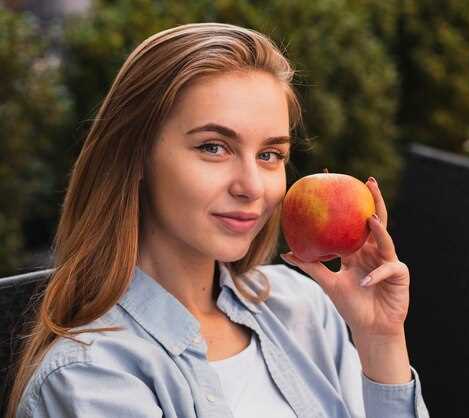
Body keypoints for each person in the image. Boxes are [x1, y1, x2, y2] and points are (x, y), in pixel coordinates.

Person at [6, 22, 430, 418]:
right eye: (214, 147)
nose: (252, 186)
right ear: (134, 157)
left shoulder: (303, 307)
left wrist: (380, 342)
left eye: (269, 155)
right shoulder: (92, 376)